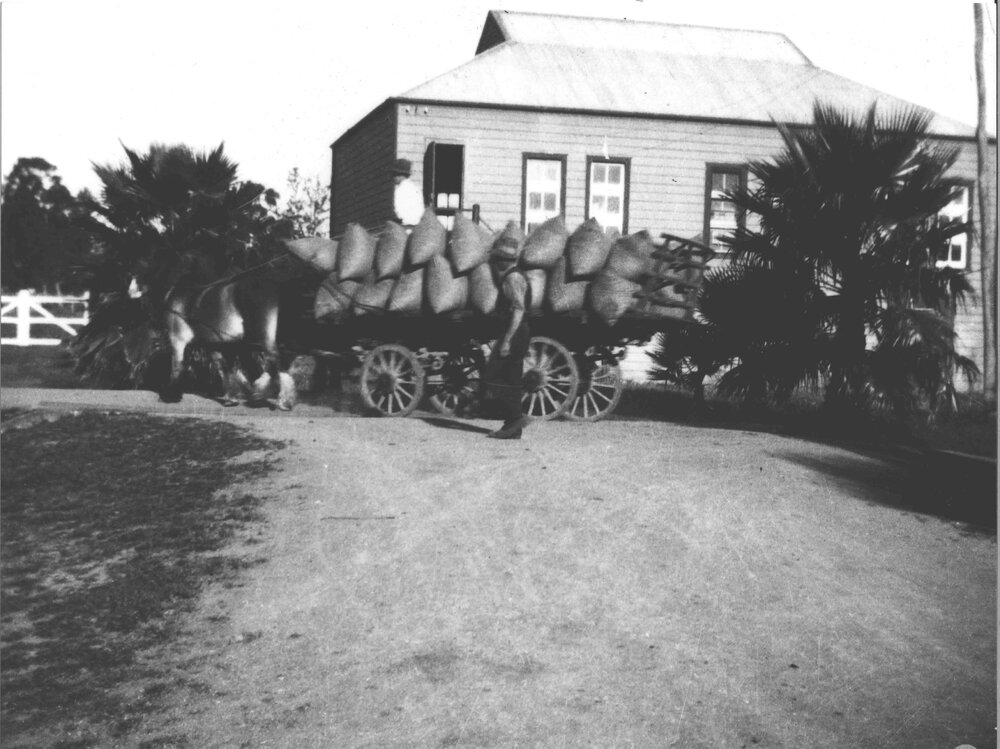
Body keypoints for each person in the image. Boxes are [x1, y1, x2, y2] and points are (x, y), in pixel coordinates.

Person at [480, 236, 531, 439]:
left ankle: (517, 417)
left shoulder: (512, 278)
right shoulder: (514, 275)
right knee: (511, 378)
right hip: (517, 330)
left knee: (493, 376)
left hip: (515, 331)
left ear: (503, 260)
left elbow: (518, 309)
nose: (494, 262)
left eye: (496, 258)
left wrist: (507, 340)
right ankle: (512, 428)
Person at [391, 158, 425, 229]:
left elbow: (399, 211)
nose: (393, 178)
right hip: (418, 226)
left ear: (400, 175)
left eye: (395, 175)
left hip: (405, 226)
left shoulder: (400, 190)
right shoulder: (416, 188)